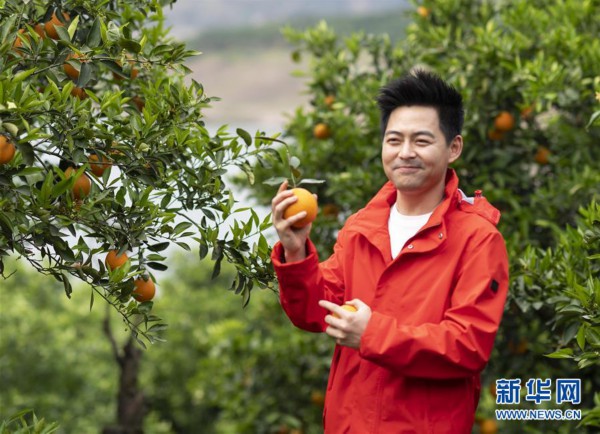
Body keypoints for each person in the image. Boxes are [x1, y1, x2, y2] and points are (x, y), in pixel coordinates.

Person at [270, 69, 509, 434]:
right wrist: (295, 251)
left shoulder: (477, 239)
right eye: (394, 139)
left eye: (422, 141)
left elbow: (468, 346)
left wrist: (371, 334)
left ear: (453, 148)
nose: (405, 153)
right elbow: (314, 312)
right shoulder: (362, 227)